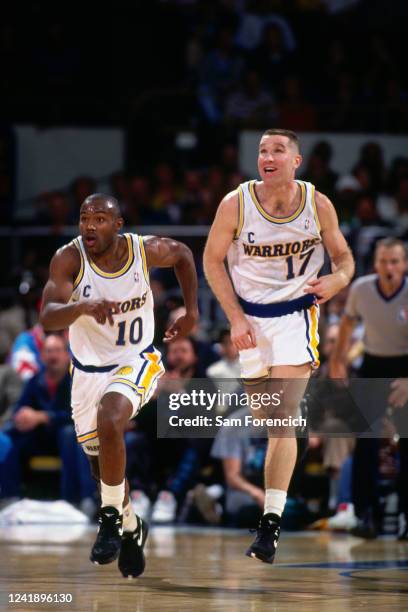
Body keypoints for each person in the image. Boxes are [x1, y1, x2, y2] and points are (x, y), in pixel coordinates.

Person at [203, 128, 354, 564]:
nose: (268, 156)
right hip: (248, 317)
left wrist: (339, 279)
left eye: (277, 150)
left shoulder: (317, 203)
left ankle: (269, 526)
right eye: (262, 150)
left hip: (294, 316)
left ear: (296, 160)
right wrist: (233, 318)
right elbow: (212, 260)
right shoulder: (236, 203)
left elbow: (344, 258)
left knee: (279, 423)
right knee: (267, 415)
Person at [39, 194, 198, 578]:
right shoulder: (69, 259)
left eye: (99, 218)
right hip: (87, 371)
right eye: (84, 218)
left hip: (137, 360)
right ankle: (130, 527)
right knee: (103, 470)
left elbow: (183, 255)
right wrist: (79, 308)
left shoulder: (145, 252)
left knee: (112, 419)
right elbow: (46, 317)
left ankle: (108, 519)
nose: (89, 225)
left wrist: (191, 312)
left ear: (118, 224)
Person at [330, 237, 408, 540]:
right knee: (364, 442)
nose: (388, 267)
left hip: (405, 367)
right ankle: (366, 515)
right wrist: (338, 362)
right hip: (373, 364)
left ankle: (405, 516)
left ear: (403, 264)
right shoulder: (361, 289)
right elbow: (347, 325)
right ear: (375, 263)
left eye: (394, 261)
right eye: (382, 261)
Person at [0, 334, 89, 504]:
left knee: (69, 433)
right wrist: (22, 416)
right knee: (11, 437)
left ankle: (72, 500)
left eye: (57, 351)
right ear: (41, 356)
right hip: (41, 438)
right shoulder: (35, 380)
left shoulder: (77, 380)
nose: (53, 356)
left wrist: (44, 417)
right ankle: (9, 497)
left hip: (67, 439)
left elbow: (78, 415)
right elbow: (21, 407)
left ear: (67, 355)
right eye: (48, 351)